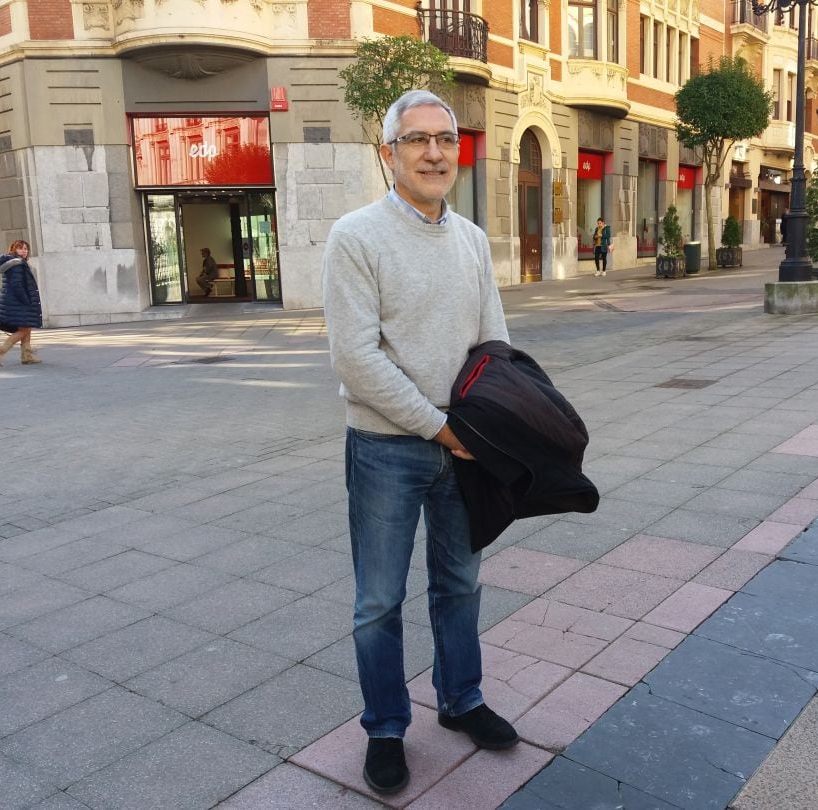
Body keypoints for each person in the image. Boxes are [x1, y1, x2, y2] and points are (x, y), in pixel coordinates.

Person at [321, 89, 515, 796]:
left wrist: (497, 421)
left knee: (460, 584)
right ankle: (385, 727)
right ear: (389, 154)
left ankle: (461, 700)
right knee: (378, 599)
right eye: (417, 140)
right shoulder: (356, 237)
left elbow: (495, 344)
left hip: (465, 446)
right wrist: (440, 428)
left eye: (445, 139)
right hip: (386, 448)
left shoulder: (470, 238)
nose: (434, 152)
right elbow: (356, 359)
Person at [0, 239, 42, 366]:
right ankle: (1, 349)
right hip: (19, 302)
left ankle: (27, 355)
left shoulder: (14, 263)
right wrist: (27, 300)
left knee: (26, 327)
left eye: (25, 248)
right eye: (20, 248)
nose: (24, 251)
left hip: (14, 302)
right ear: (13, 249)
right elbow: (17, 285)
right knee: (24, 330)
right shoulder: (17, 264)